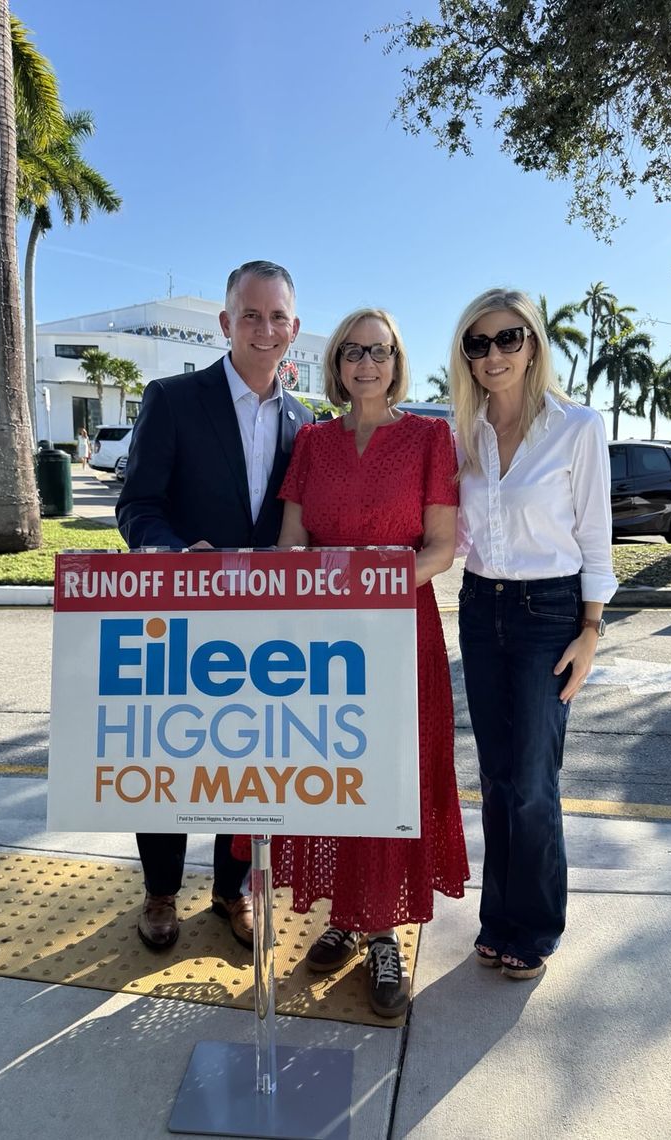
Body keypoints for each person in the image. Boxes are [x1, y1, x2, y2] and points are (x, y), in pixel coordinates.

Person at [257, 307, 469, 1018]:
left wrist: (366, 583)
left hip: (398, 636)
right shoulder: (313, 443)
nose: (364, 364)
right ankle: (344, 918)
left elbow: (439, 548)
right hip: (321, 641)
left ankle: (383, 933)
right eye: (351, 352)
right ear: (337, 364)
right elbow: (291, 541)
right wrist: (318, 587)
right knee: (332, 776)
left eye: (377, 351)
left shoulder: (428, 437)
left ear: (395, 360)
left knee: (387, 781)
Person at [116, 260, 314, 952]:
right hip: (182, 619)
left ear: (294, 327)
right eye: (251, 316)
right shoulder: (172, 399)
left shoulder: (305, 422)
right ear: (227, 324)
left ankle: (231, 893)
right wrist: (173, 555)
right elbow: (136, 506)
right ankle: (161, 891)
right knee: (172, 757)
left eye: (278, 316)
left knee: (249, 757)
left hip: (266, 630)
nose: (265, 330)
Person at [450, 288, 617, 980]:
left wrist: (590, 629)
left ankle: (536, 926)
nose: (493, 354)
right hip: (478, 606)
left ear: (532, 344)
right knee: (494, 779)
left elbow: (594, 536)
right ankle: (498, 919)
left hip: (547, 613)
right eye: (478, 343)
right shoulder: (463, 431)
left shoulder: (576, 428)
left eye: (507, 338)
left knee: (530, 780)